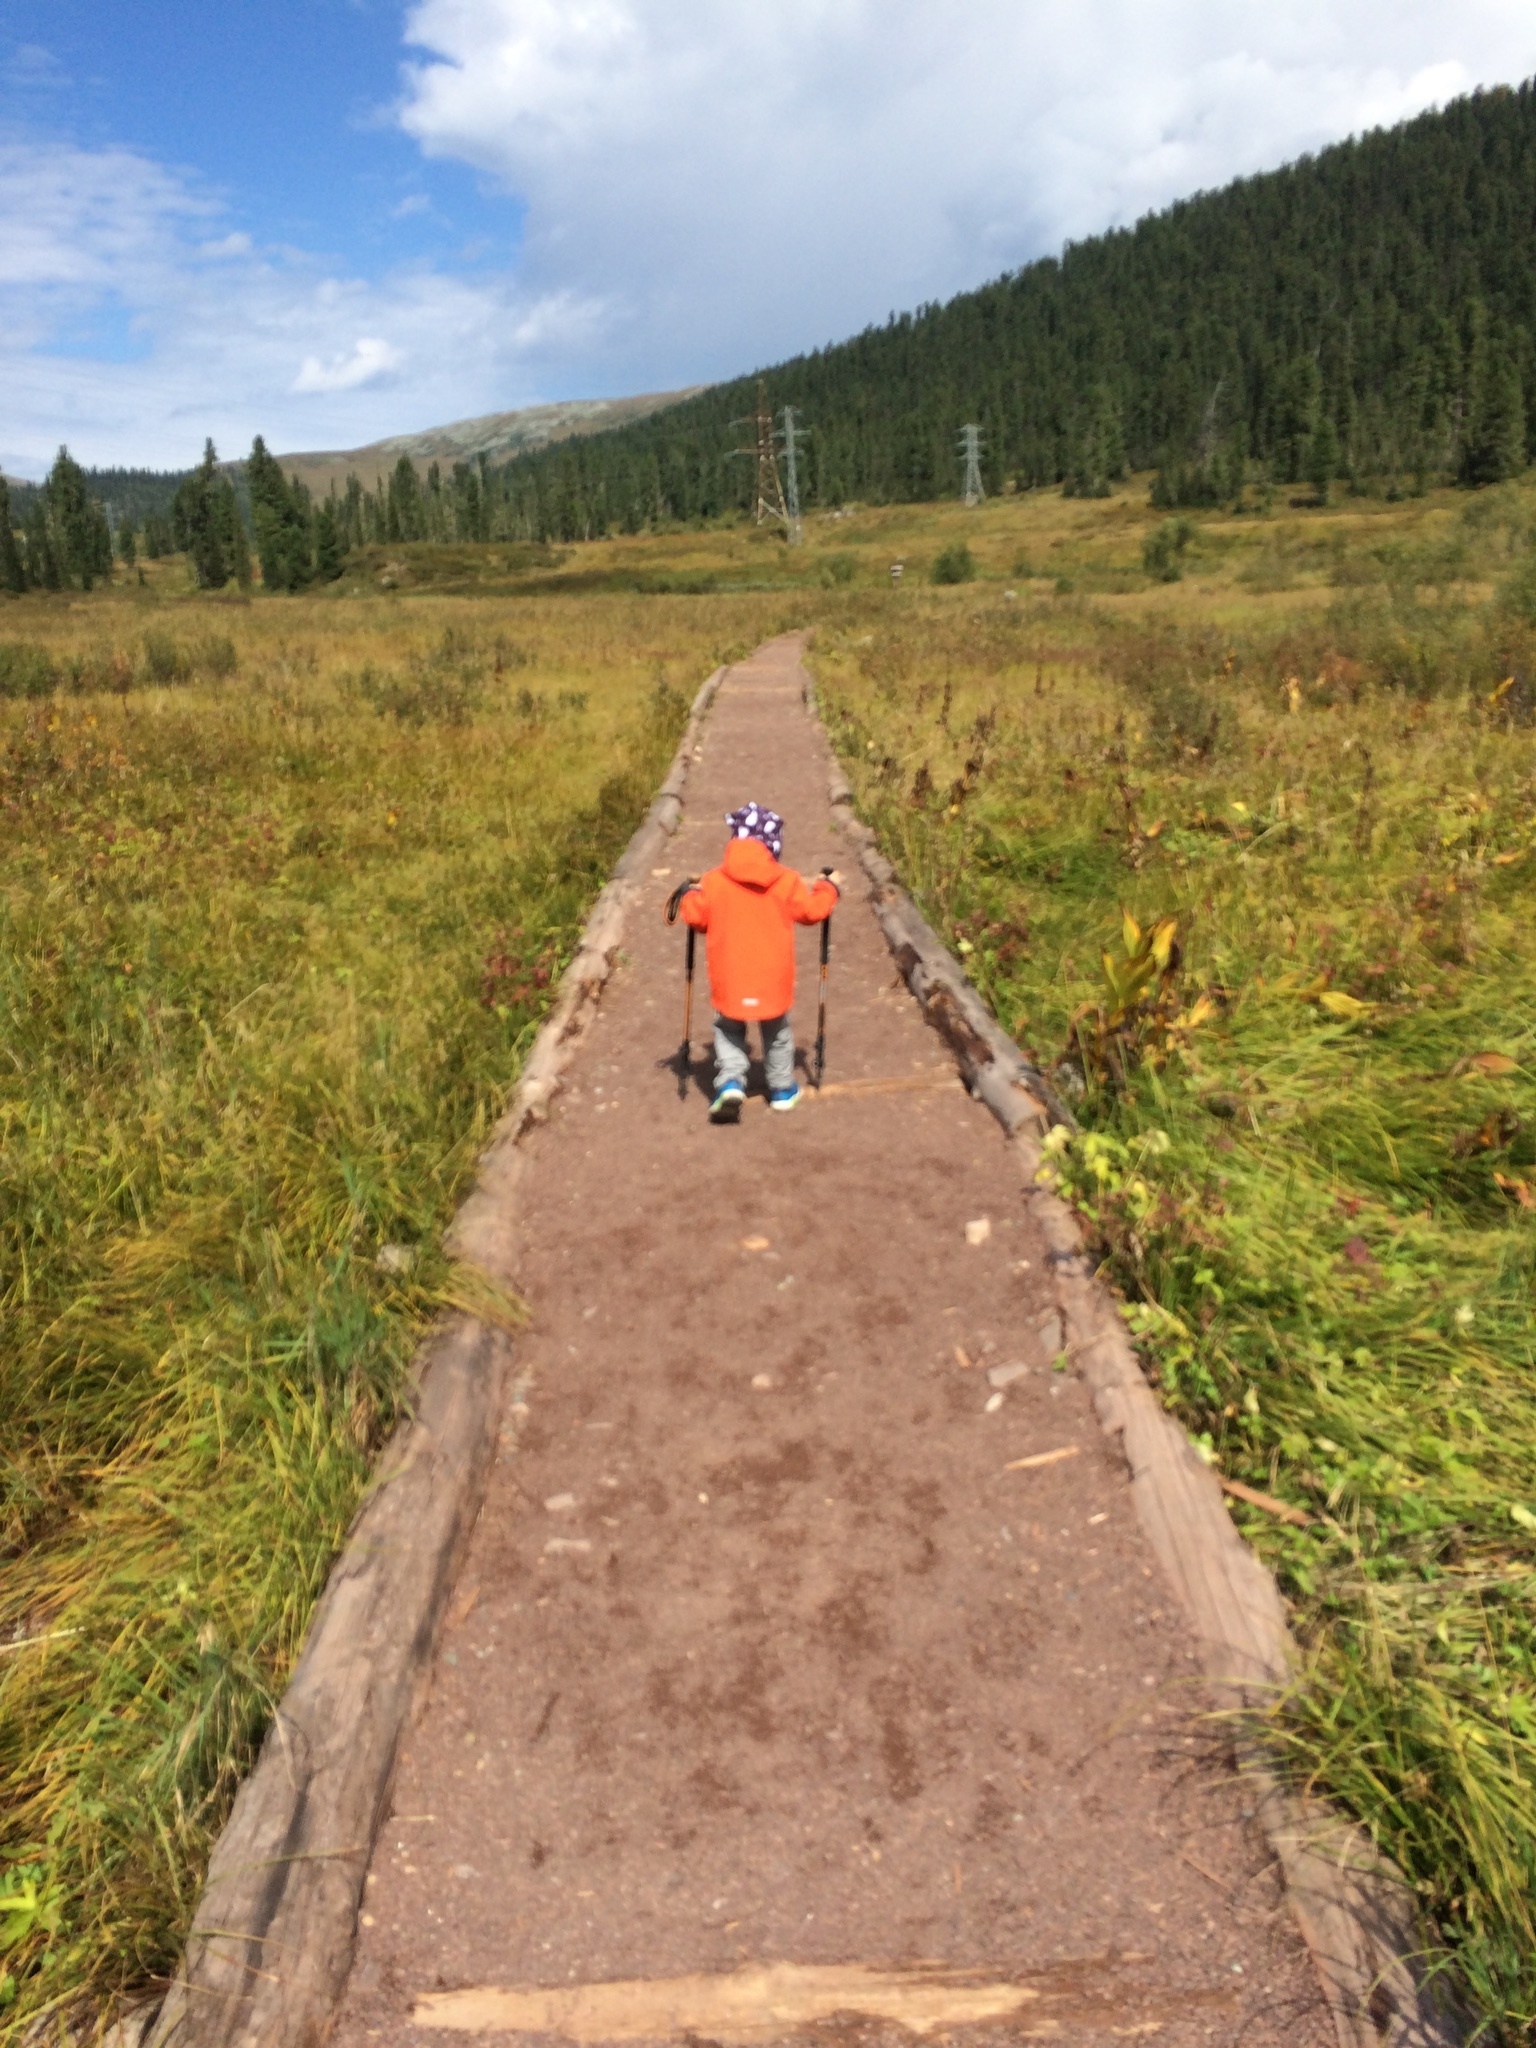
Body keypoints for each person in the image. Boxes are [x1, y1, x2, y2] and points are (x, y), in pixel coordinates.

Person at [676, 803, 840, 1123]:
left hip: (730, 976)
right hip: (772, 979)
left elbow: (696, 917)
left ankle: (732, 1082)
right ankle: (781, 1089)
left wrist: (689, 895)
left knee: (729, 1028)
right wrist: (828, 888)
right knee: (776, 1032)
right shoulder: (788, 881)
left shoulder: (713, 881)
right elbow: (812, 912)